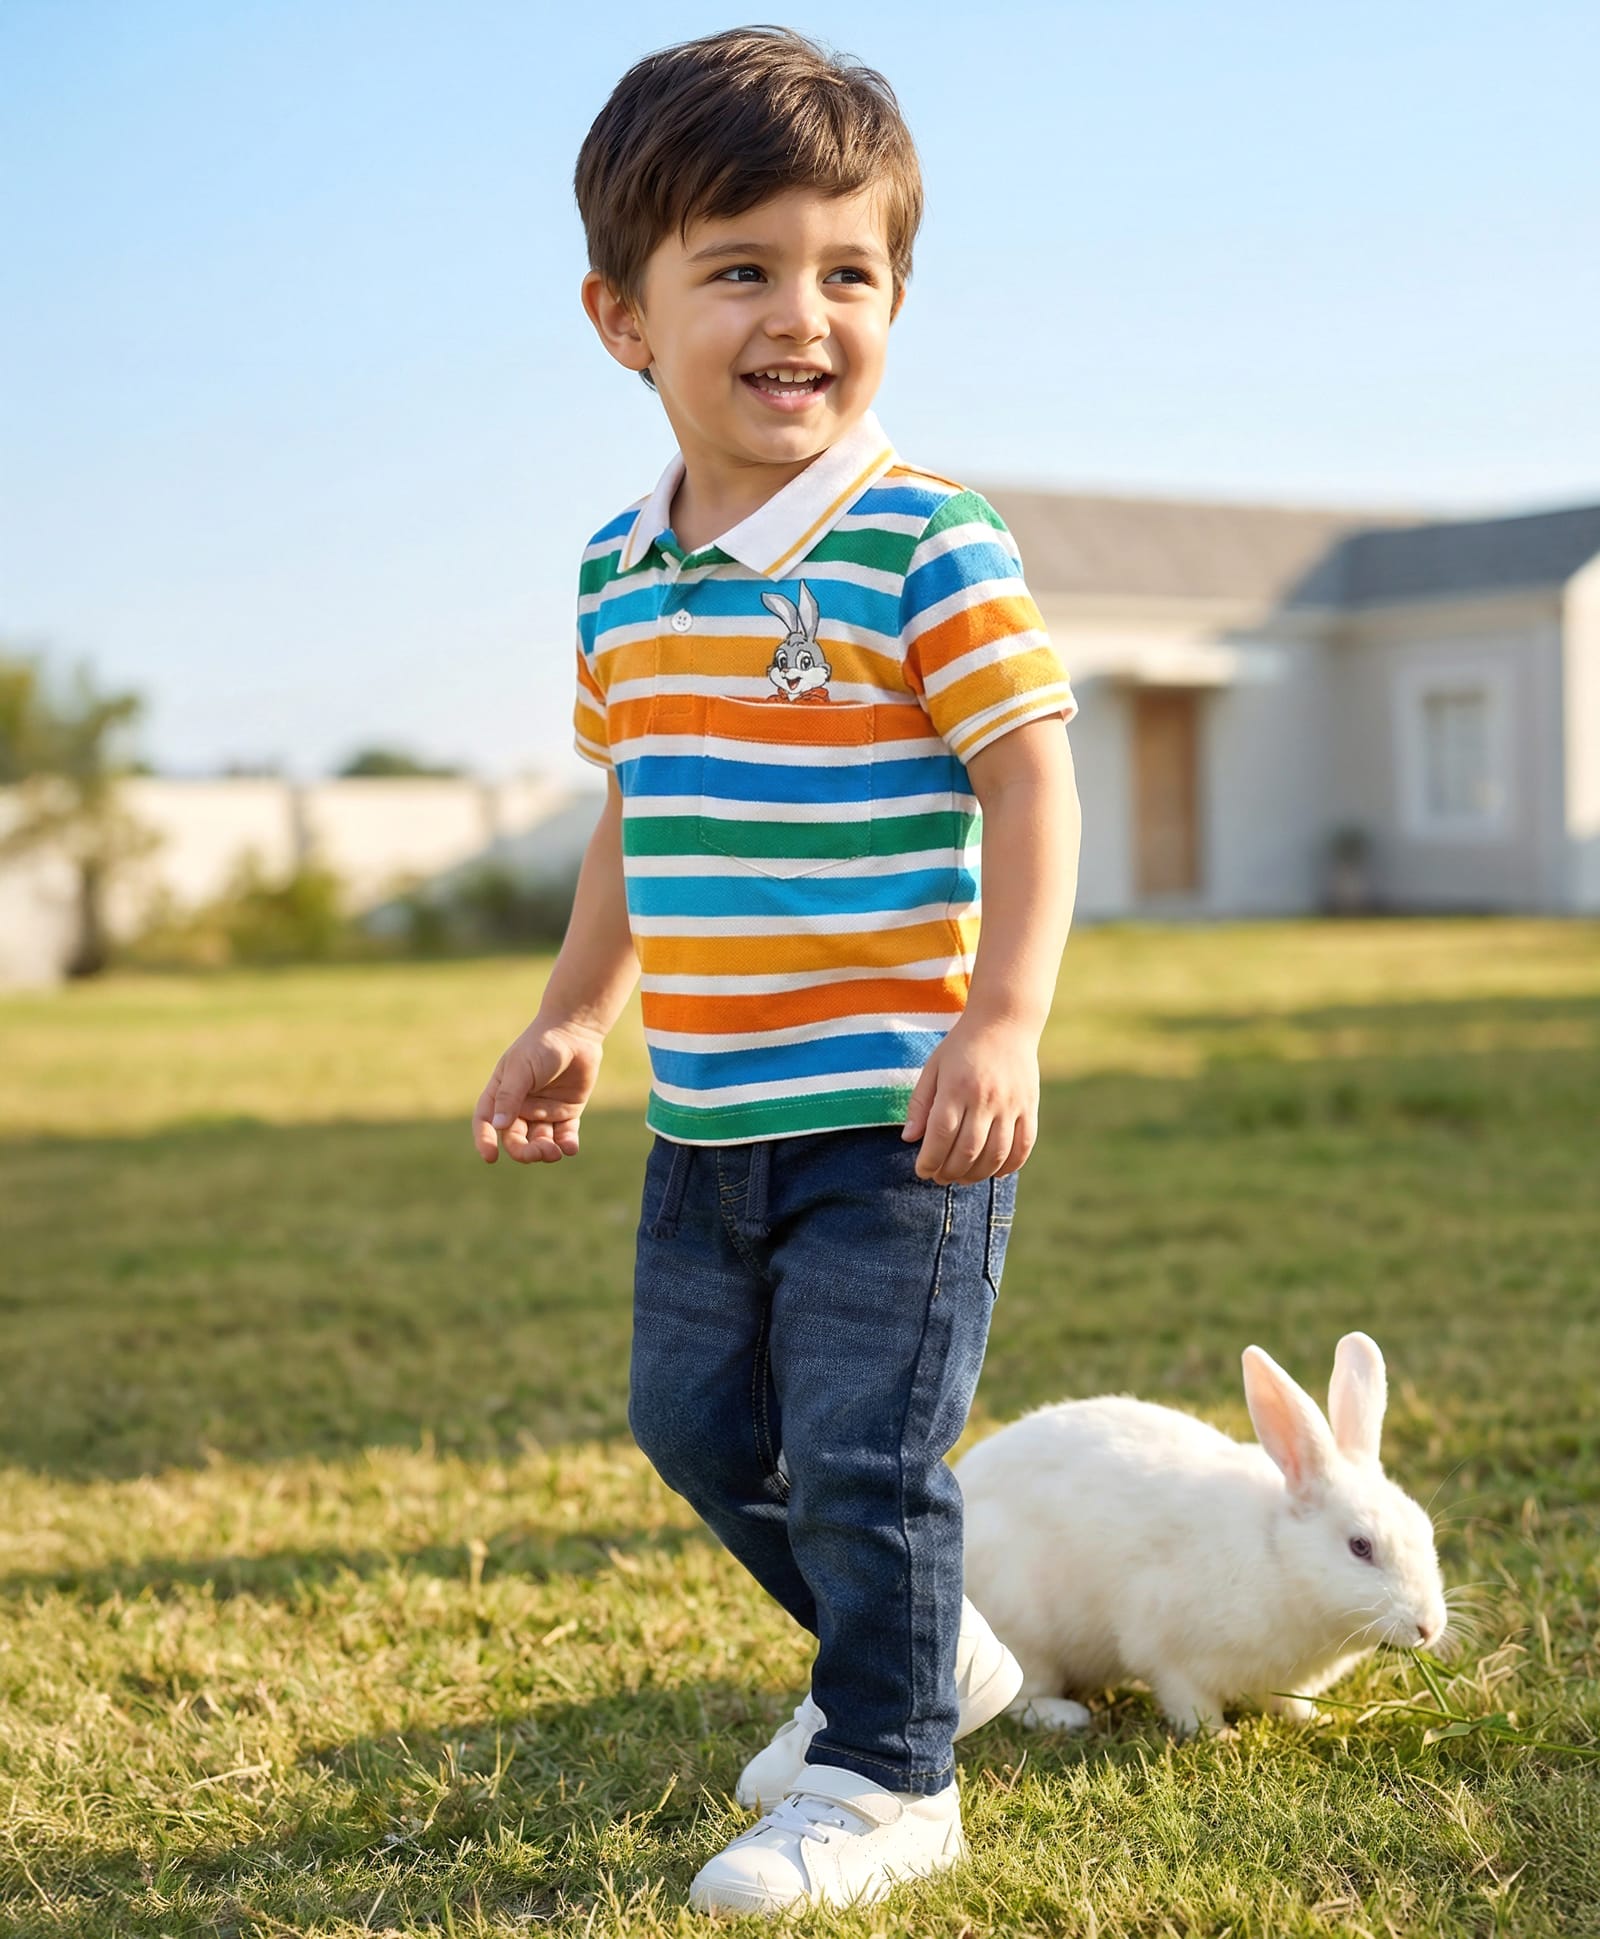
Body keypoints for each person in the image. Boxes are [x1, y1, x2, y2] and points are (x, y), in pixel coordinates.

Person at [472, 25, 1081, 1915]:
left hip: (899, 1117)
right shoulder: (617, 572)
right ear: (622, 315)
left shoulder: (925, 541)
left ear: (894, 295)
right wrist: (578, 1009)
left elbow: (1033, 767)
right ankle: (940, 1663)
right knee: (695, 1427)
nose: (798, 314)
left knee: (863, 1457)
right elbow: (633, 809)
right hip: (711, 1112)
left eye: (848, 272)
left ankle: (893, 1779)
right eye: (739, 268)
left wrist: (1003, 1018)